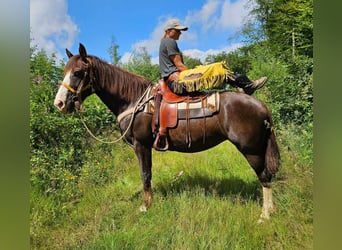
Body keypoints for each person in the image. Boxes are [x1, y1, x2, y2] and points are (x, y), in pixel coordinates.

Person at [159, 18, 268, 95]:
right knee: (217, 67)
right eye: (177, 30)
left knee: (209, 66)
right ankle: (247, 86)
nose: (180, 33)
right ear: (169, 31)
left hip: (173, 81)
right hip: (177, 81)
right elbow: (179, 65)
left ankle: (241, 86)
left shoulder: (164, 42)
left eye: (180, 31)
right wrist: (194, 74)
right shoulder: (169, 42)